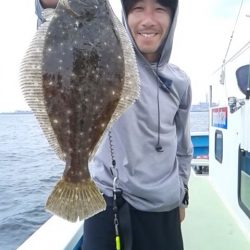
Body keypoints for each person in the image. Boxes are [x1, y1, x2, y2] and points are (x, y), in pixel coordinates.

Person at [35, 0, 193, 249]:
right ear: (123, 16)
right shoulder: (117, 63)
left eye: (160, 9)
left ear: (173, 18)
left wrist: (182, 195)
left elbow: (184, 148)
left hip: (164, 207)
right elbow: (48, 16)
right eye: (137, 9)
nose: (148, 19)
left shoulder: (181, 81)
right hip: (107, 201)